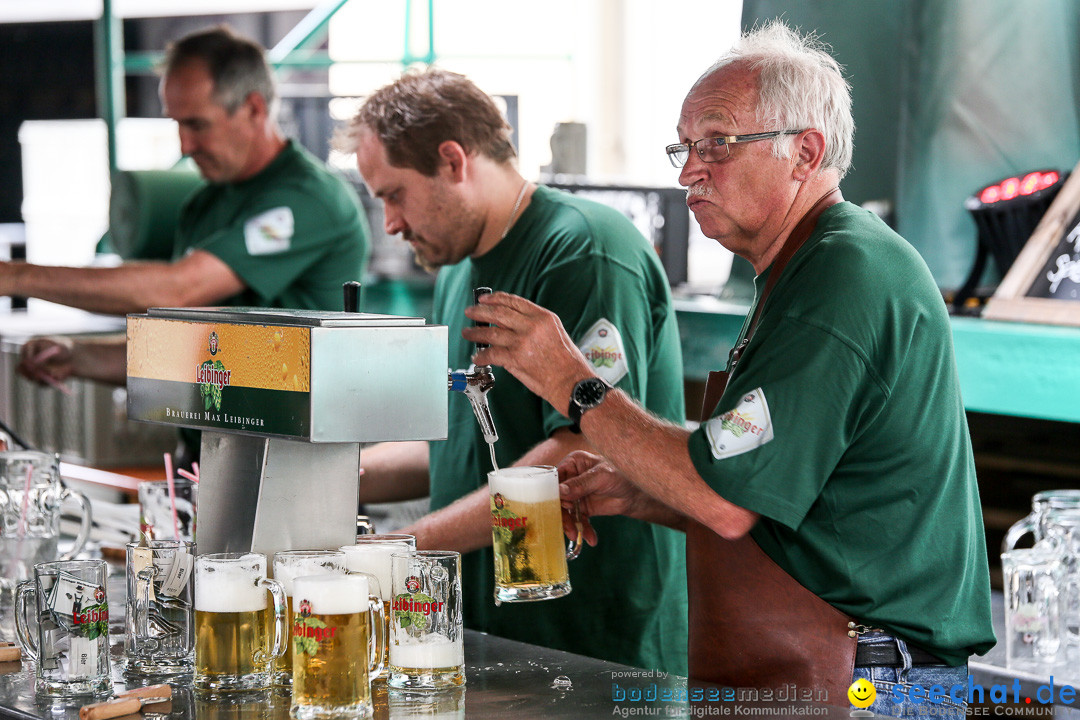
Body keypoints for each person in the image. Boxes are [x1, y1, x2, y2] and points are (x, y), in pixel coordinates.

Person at [462, 21, 995, 716]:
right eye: (684, 146)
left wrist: (572, 379)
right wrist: (639, 492)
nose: (687, 170)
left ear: (806, 151)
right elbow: (773, 490)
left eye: (717, 142)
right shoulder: (806, 269)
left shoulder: (840, 277)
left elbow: (725, 502)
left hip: (873, 682)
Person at [342, 68, 689, 674]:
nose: (391, 223)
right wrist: (331, 478)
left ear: (453, 160)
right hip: (487, 634)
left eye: (393, 194)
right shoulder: (458, 267)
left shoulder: (583, 252)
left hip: (590, 646)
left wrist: (401, 551)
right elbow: (459, 445)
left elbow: (578, 447)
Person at [8, 26, 369, 461]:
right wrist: (77, 357)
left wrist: (15, 275)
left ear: (254, 108)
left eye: (197, 124)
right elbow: (190, 347)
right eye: (177, 123)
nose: (185, 144)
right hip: (206, 466)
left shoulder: (306, 201)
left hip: (292, 469)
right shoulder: (203, 203)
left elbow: (178, 290)